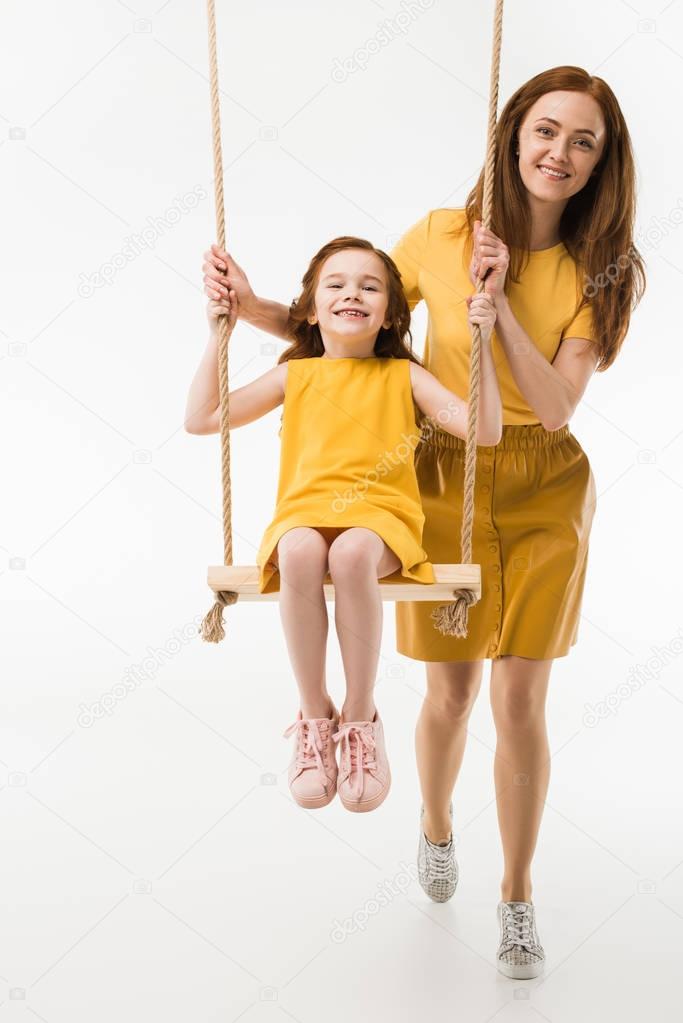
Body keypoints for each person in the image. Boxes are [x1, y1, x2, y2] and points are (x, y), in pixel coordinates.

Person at [199, 65, 645, 980]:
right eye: (546, 131)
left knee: (521, 700)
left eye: (582, 141)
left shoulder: (603, 266)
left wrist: (496, 310)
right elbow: (351, 330)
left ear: (601, 162)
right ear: (514, 133)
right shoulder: (442, 233)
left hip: (544, 485)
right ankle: (437, 824)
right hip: (444, 479)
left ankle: (515, 893)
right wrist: (247, 311)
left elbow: (556, 404)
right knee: (451, 695)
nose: (558, 152)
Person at [186, 236, 502, 817]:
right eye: (335, 284)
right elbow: (202, 418)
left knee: (353, 552)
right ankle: (314, 714)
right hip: (303, 514)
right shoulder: (296, 376)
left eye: (370, 286)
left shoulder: (401, 377)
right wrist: (219, 335)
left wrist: (485, 337)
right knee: (302, 550)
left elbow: (483, 432)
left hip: (381, 521)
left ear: (389, 316)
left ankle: (360, 717)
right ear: (309, 308)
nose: (352, 293)